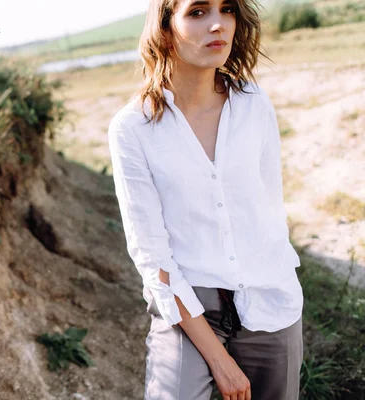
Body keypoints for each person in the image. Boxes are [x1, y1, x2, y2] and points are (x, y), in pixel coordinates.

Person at [107, 0, 304, 399]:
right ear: (165, 29)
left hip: (269, 294)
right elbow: (153, 257)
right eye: (198, 12)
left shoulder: (253, 103)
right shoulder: (133, 128)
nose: (218, 24)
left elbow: (269, 208)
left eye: (226, 9)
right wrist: (219, 360)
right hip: (187, 302)